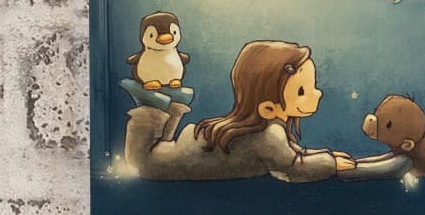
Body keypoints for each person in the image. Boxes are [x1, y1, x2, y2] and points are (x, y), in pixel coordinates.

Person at [123, 40, 355, 182]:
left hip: (173, 156)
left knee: (160, 149)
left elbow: (293, 152)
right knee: (142, 159)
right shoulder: (269, 136)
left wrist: (324, 155)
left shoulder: (269, 132)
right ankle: (150, 109)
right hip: (154, 167)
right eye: (303, 91)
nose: (318, 93)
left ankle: (170, 109)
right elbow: (294, 168)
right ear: (268, 108)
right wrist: (330, 163)